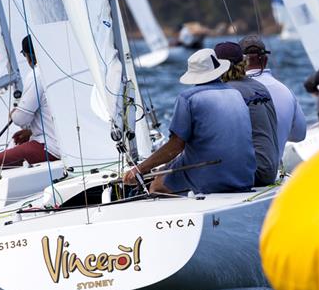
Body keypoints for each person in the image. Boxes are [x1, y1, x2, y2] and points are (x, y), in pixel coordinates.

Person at [123, 48, 255, 194]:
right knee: (164, 170)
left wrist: (139, 169)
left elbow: (175, 147)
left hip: (211, 177)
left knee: (156, 185)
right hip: (245, 177)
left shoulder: (189, 98)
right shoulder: (236, 94)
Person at [0, 35, 60, 167]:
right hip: (71, 146)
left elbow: (20, 119)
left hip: (53, 149)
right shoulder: (61, 67)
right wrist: (31, 132)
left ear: (29, 56)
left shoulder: (37, 75)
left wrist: (13, 113)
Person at [214, 41, 280, 186]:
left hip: (253, 173)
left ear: (217, 67)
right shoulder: (260, 87)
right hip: (270, 171)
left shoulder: (227, 92)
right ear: (243, 62)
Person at [240, 35, 306, 158]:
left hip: (242, 174)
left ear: (238, 62)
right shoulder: (286, 91)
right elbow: (300, 135)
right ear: (265, 60)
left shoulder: (232, 92)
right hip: (273, 172)